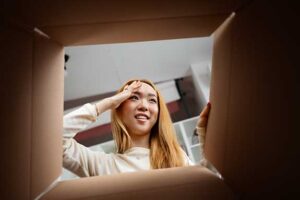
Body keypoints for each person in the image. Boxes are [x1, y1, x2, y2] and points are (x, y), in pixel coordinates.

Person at [63, 79, 211, 177]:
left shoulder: (176, 157)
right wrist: (108, 103)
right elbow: (53, 139)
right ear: (119, 108)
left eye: (152, 100)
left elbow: (207, 188)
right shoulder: (100, 165)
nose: (144, 106)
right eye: (134, 97)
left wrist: (205, 137)